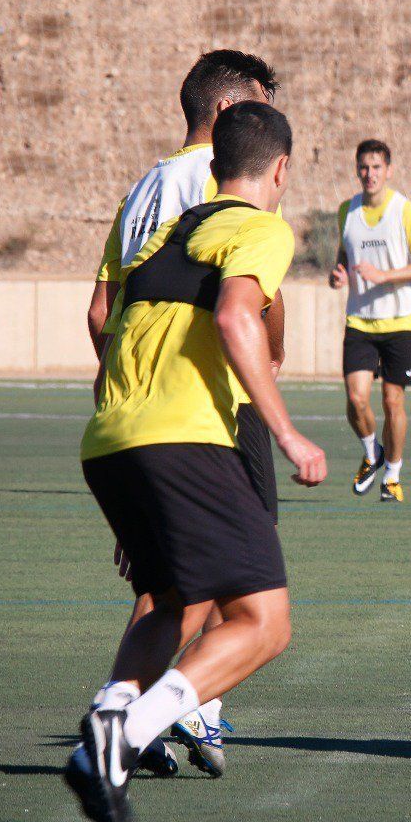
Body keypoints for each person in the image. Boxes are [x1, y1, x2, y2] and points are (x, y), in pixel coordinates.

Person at [65, 101, 327, 822]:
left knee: (171, 596)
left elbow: (108, 326)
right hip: (185, 438)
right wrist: (289, 435)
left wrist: (136, 486)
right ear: (281, 169)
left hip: (111, 440)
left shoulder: (163, 240)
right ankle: (129, 732)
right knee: (264, 622)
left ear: (213, 167)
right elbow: (239, 319)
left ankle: (102, 736)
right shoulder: (260, 228)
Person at [86, 49, 285, 777]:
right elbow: (247, 304)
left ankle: (126, 712)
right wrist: (279, 388)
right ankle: (182, 710)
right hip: (207, 408)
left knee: (170, 579)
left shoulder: (141, 188)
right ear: (235, 115)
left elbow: (103, 310)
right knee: (246, 583)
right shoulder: (224, 187)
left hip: (132, 411)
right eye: (262, 104)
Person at [329, 139, 411, 503]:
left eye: (376, 167)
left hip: (400, 321)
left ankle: (392, 475)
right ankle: (371, 451)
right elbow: (344, 255)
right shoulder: (347, 211)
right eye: (363, 167)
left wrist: (384, 275)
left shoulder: (405, 211)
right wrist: (338, 274)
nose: (369, 174)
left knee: (392, 402)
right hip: (360, 320)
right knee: (356, 399)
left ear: (388, 170)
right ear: (356, 169)